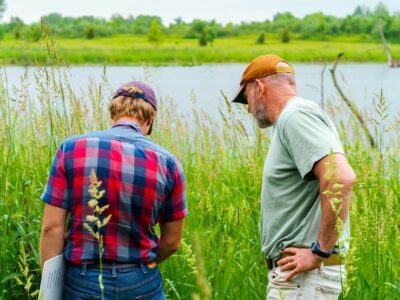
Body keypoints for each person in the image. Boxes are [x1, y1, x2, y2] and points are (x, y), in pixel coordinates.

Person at [40, 81, 188, 299]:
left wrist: (49, 291)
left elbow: (51, 228)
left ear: (113, 113)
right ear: (151, 118)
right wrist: (143, 267)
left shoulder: (70, 149)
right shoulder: (170, 164)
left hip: (83, 281)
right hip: (141, 281)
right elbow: (171, 242)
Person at [232, 54, 356, 299]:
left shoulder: (295, 116)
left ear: (259, 87)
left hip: (305, 280)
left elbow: (340, 177)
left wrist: (319, 252)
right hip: (301, 279)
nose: (248, 108)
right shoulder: (296, 117)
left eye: (246, 98)